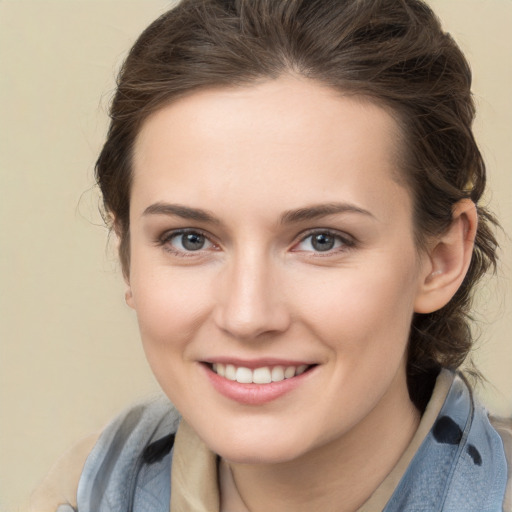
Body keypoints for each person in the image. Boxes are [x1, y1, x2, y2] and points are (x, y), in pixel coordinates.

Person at [31, 0, 511, 510]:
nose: (247, 315)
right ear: (126, 254)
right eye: (189, 239)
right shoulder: (86, 491)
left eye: (322, 240)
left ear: (439, 258)